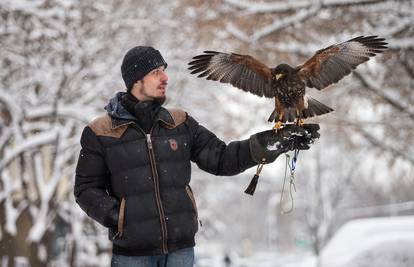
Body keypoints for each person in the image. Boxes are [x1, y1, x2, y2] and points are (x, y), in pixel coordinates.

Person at [74, 46, 320, 267]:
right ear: (136, 80)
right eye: (156, 72)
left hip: (181, 251)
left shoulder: (179, 123)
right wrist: (120, 219)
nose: (165, 78)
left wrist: (274, 142)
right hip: (132, 256)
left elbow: (222, 158)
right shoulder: (101, 132)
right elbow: (85, 189)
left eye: (164, 70)